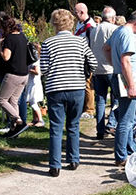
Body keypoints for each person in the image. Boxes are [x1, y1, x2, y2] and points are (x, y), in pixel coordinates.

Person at [40, 9, 97, 177]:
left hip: (55, 88)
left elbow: (44, 69)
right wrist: (83, 71)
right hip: (76, 88)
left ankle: (54, 165)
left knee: (56, 127)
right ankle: (73, 160)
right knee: (73, 125)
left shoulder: (48, 43)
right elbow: (93, 62)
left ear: (54, 24)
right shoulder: (80, 42)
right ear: (71, 23)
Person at [104, 7, 136, 166]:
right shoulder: (128, 35)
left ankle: (129, 150)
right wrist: (131, 85)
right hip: (127, 81)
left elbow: (106, 48)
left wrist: (114, 65)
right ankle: (121, 157)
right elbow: (126, 60)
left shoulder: (118, 31)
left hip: (120, 77)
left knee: (127, 118)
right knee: (126, 121)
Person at [0, 15, 29, 138]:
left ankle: (18, 121)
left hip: (13, 74)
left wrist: (0, 46)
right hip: (24, 75)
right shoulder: (22, 36)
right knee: (13, 100)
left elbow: (6, 57)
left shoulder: (9, 39)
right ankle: (14, 130)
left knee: (1, 100)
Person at [89, 6, 119, 140]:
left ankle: (100, 130)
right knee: (117, 97)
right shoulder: (114, 29)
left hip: (97, 69)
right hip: (110, 68)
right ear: (112, 18)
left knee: (100, 100)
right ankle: (111, 123)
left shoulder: (94, 29)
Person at [74, 2, 97, 120]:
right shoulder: (79, 24)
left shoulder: (90, 26)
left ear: (82, 12)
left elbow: (91, 44)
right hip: (79, 58)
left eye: (76, 12)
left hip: (87, 59)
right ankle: (83, 108)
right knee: (82, 84)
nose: (74, 15)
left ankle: (90, 109)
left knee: (88, 84)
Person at [24, 43, 45, 127]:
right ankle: (35, 119)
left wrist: (28, 70)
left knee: (33, 102)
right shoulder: (32, 59)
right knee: (32, 101)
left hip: (34, 83)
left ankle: (40, 120)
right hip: (31, 82)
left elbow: (37, 72)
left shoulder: (35, 60)